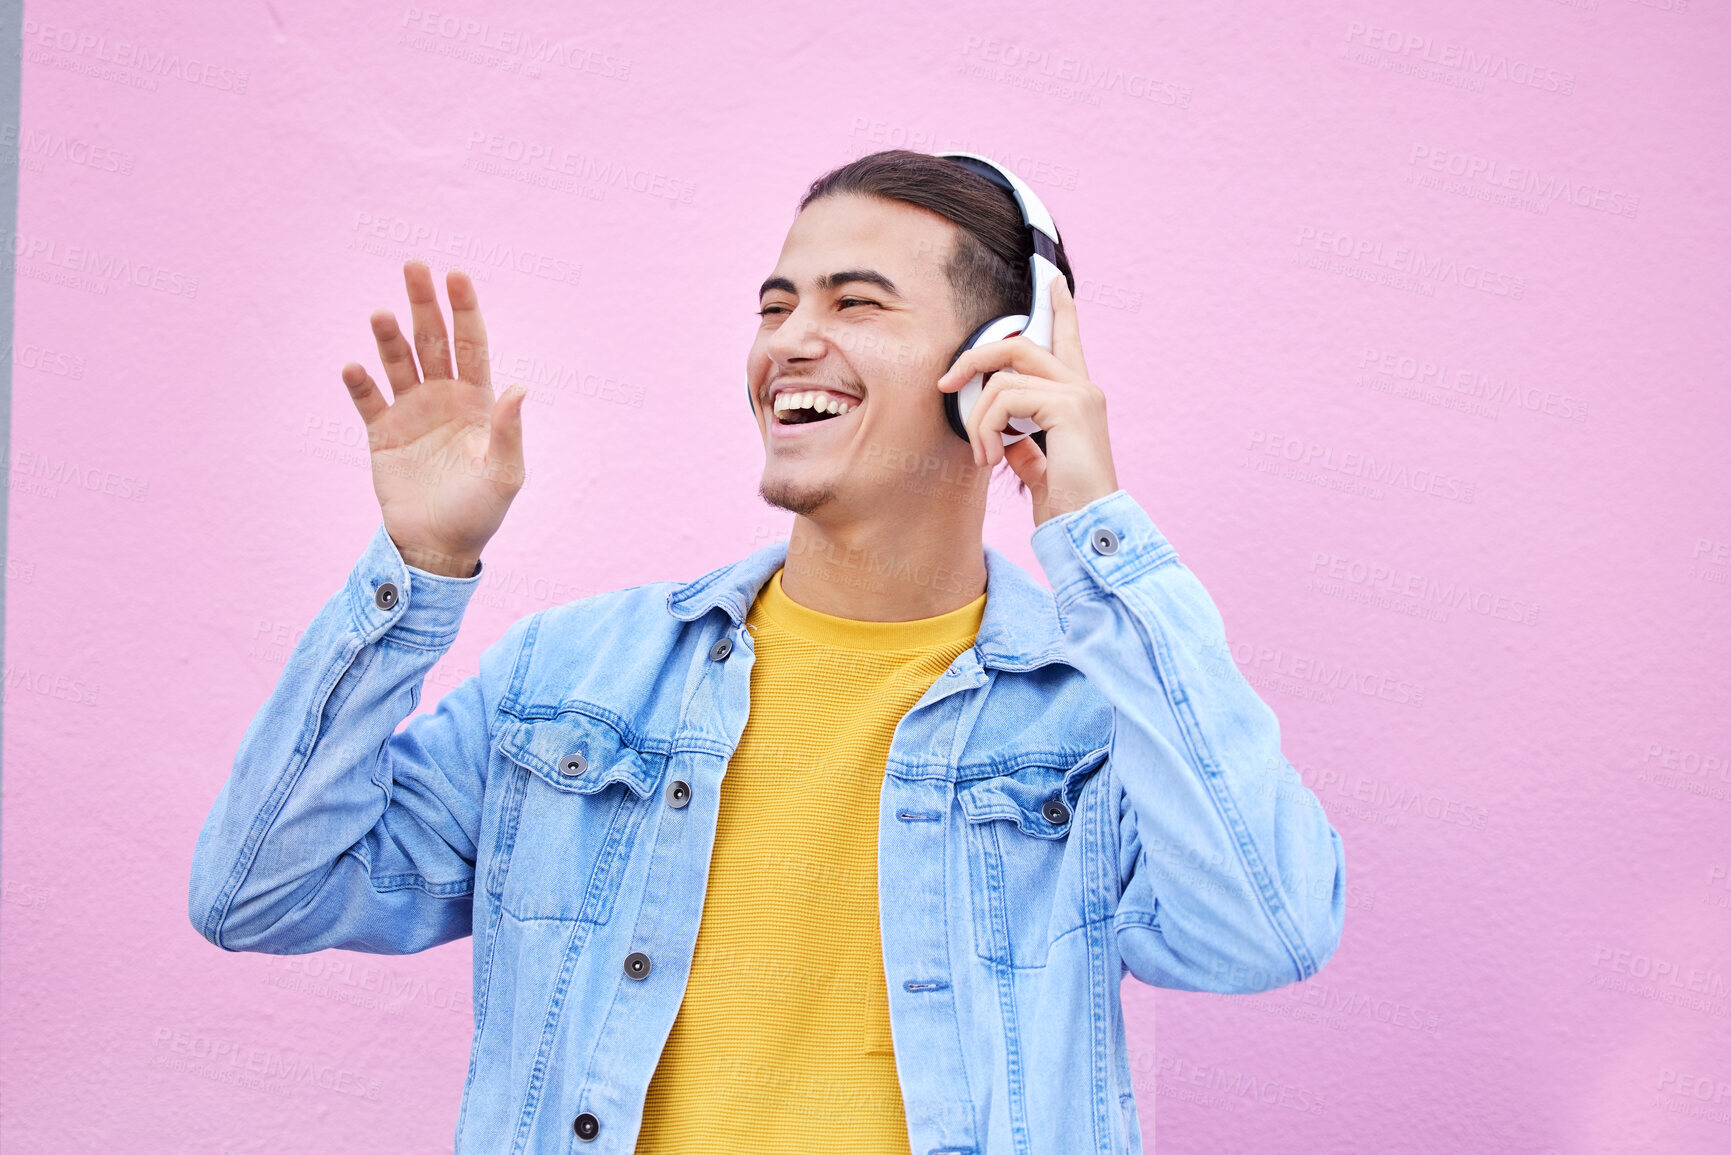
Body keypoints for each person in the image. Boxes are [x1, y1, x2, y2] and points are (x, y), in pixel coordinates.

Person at [188, 148, 1345, 1154]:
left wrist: (1092, 528)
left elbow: (1265, 928)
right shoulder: (573, 682)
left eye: (856, 304)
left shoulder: (1094, 722)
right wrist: (420, 564)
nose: (792, 342)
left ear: (996, 364)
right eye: (776, 303)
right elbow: (260, 893)